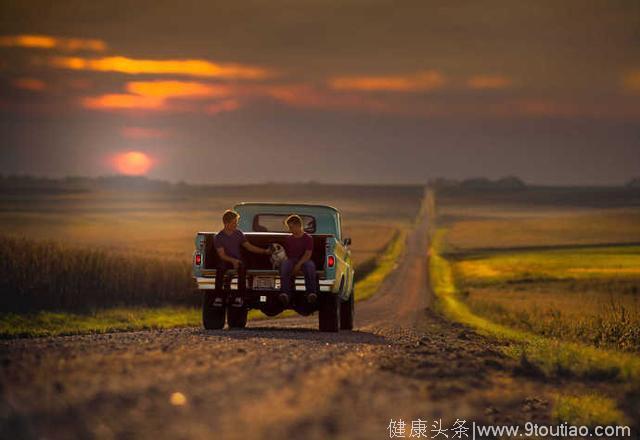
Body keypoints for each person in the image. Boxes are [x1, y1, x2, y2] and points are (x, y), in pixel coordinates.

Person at [214, 209, 271, 306]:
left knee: (242, 269)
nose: (236, 225)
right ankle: (218, 297)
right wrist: (233, 261)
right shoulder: (219, 237)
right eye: (234, 222)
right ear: (226, 223)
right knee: (220, 269)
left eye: (236, 222)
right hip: (227, 260)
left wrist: (264, 251)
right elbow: (222, 255)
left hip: (238, 260)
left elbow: (249, 247)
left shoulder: (238, 234)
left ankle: (240, 297)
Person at [279, 214, 317, 306]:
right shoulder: (288, 239)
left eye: (291, 227)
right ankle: (285, 294)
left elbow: (308, 254)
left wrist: (298, 265)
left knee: (310, 267)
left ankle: (311, 293)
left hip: (304, 260)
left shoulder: (308, 238)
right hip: (291, 260)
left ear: (298, 226)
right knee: (285, 266)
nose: (290, 230)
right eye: (289, 227)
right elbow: (286, 254)